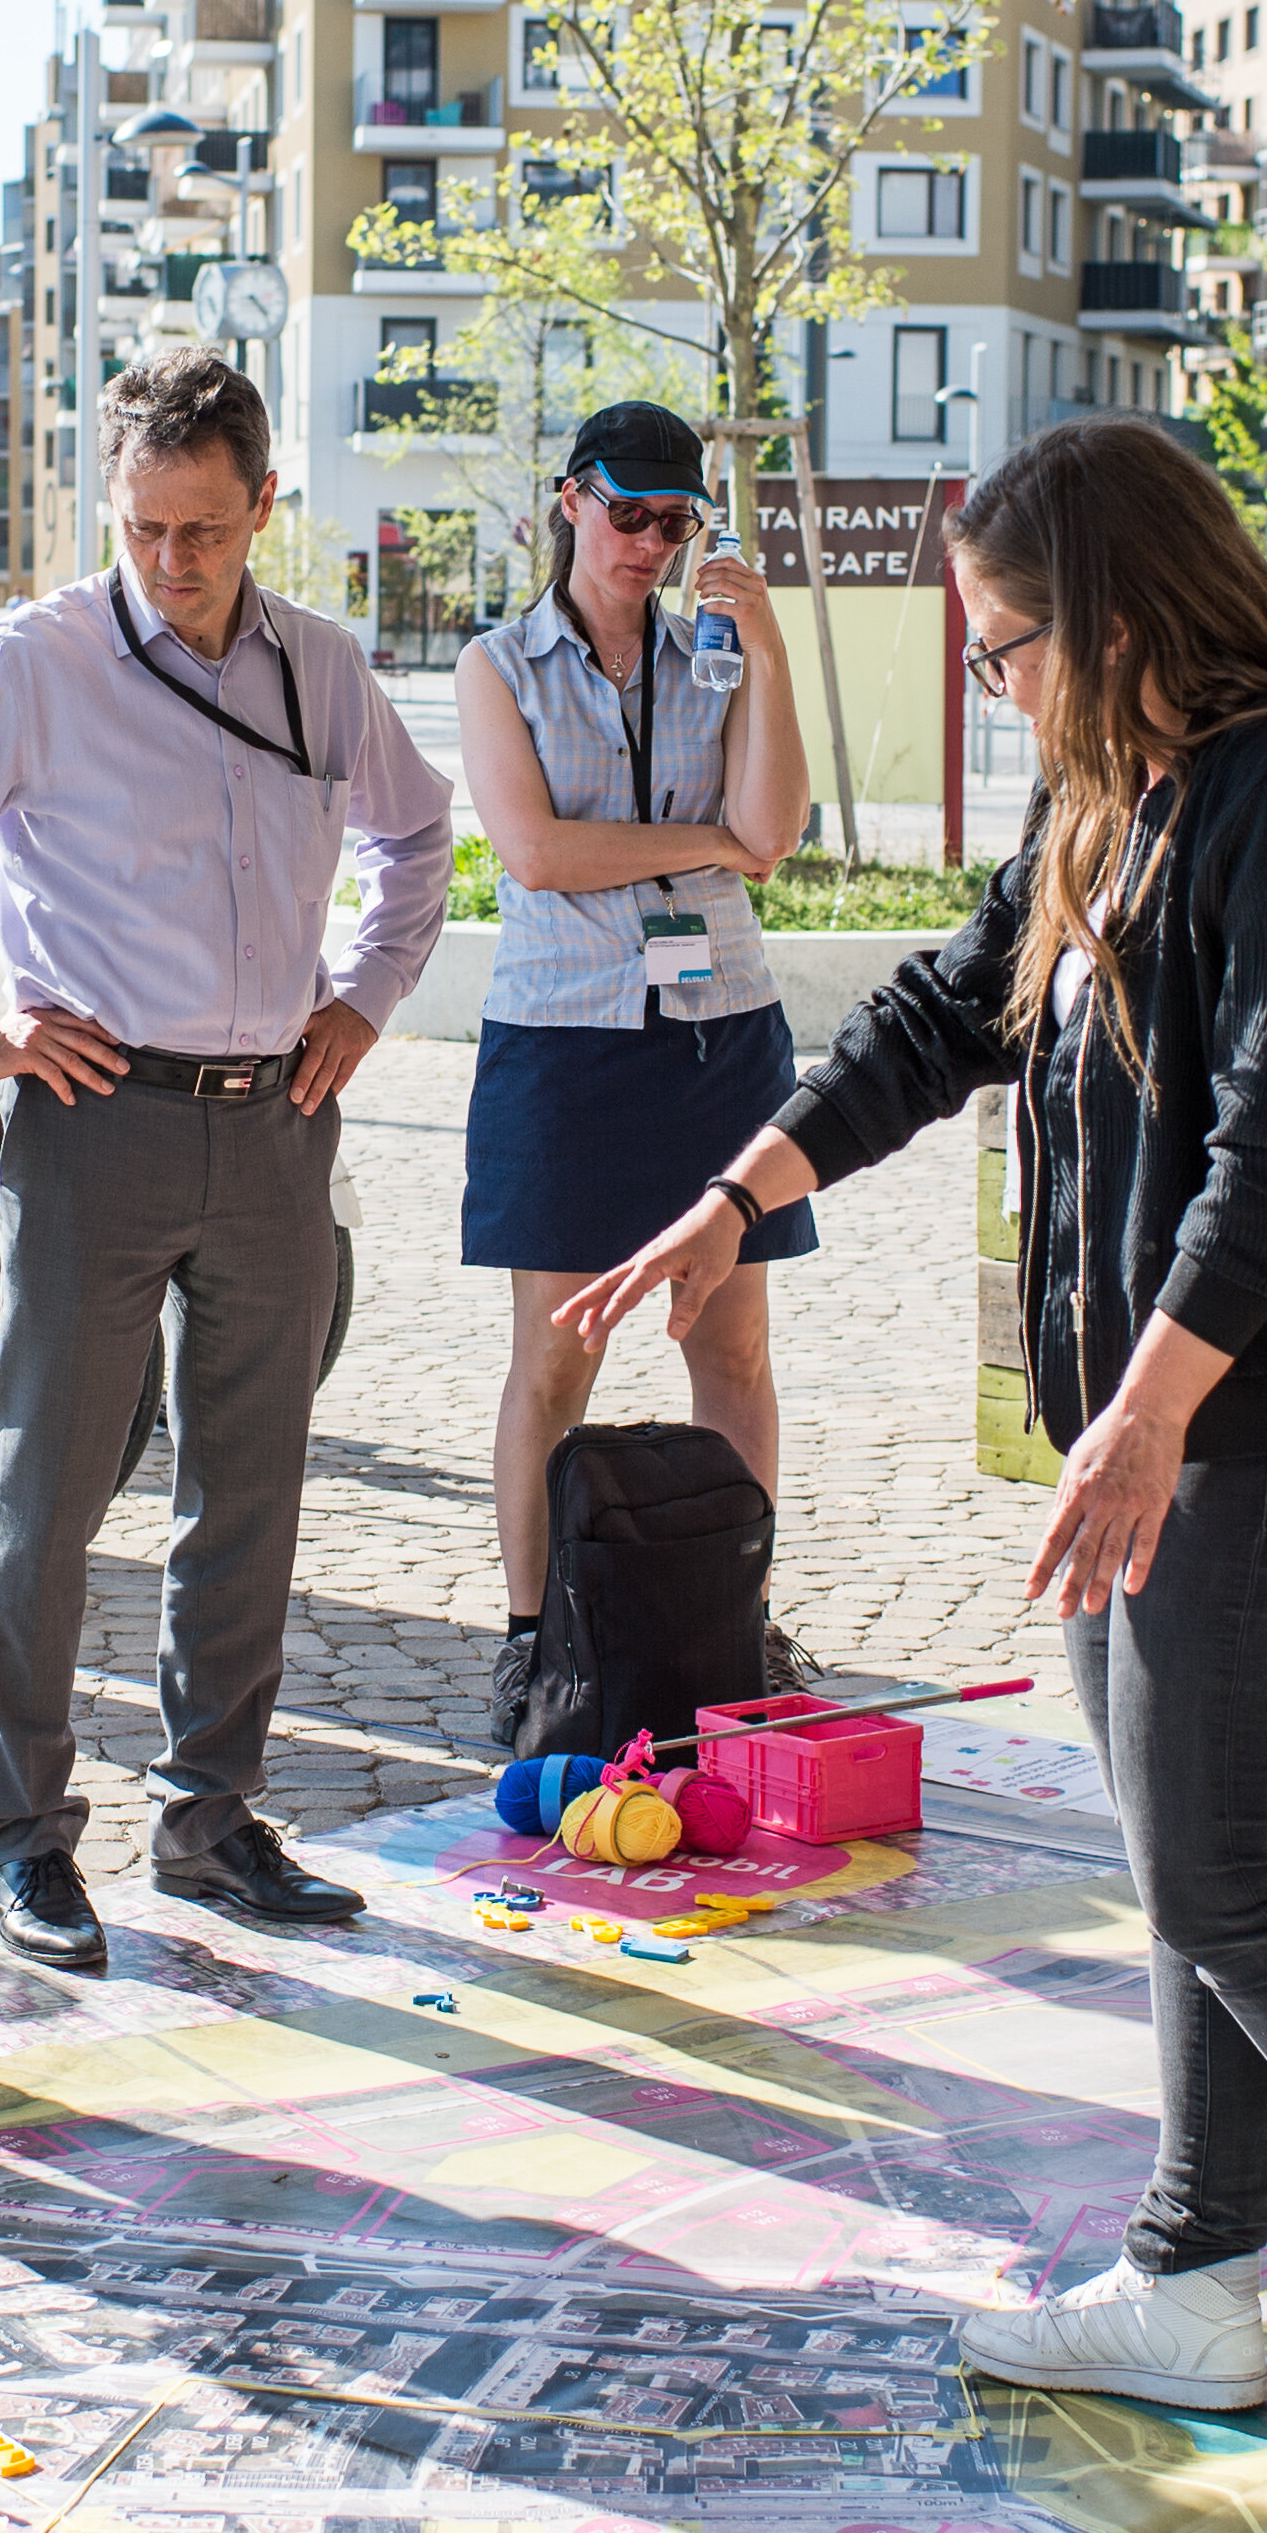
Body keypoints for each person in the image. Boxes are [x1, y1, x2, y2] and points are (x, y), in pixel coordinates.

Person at [565, 416, 1267, 2492]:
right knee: (1182, 1864)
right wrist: (734, 1193)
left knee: (1225, 1862)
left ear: (1119, 612)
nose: (995, 680)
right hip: (1161, 1418)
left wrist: (1142, 1413)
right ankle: (1190, 2280)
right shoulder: (1118, 776)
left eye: (1007, 644)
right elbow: (946, 1012)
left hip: (1263, 1425)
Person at [0, 349, 453, 1970]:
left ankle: (210, 1822)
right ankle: (22, 1837)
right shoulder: (33, 663)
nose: (170, 565)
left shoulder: (321, 669)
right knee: (49, 1495)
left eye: (203, 532)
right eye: (142, 529)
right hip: (93, 1128)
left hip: (276, 1127)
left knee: (248, 1499)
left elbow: (419, 835)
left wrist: (362, 1002)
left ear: (260, 511)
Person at [454, 401, 809, 1746]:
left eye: (678, 521)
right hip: (566, 1038)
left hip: (722, 1032)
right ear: (568, 501)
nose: (652, 544)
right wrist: (694, 839)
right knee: (557, 1360)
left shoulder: (715, 660)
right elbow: (534, 854)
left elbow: (768, 836)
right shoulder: (502, 666)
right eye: (629, 514)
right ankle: (534, 1637)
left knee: (734, 1345)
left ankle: (735, 1614)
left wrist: (767, 653)